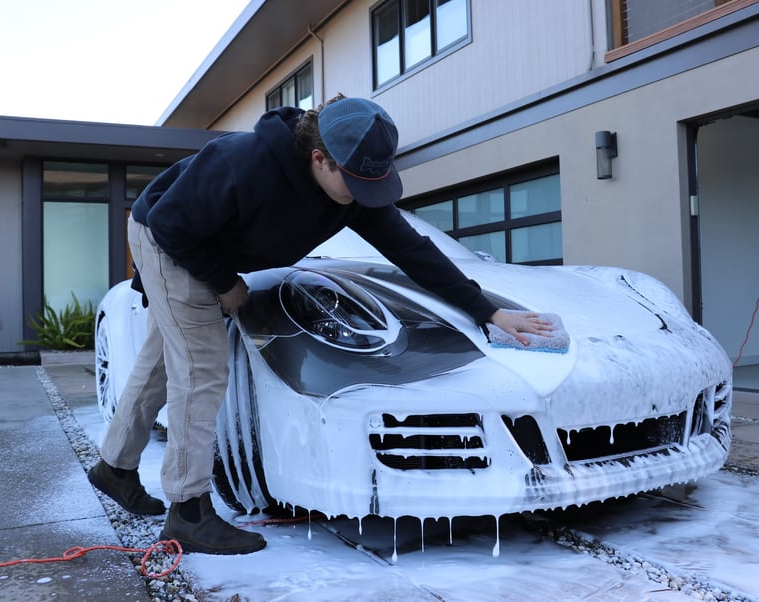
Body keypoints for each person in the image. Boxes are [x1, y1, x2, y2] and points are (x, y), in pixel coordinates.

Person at [87, 95, 552, 555]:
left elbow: (413, 251)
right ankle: (188, 511)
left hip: (198, 241)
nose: (364, 195)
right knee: (201, 367)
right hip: (166, 236)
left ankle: (114, 468)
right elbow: (170, 224)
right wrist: (225, 283)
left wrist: (487, 310)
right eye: (355, 183)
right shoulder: (243, 162)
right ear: (319, 159)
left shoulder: (354, 191)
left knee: (163, 361)